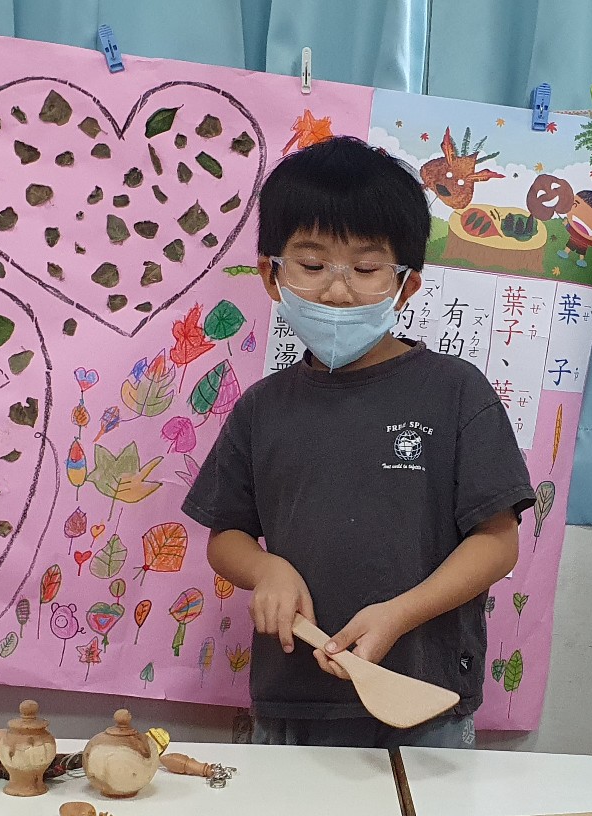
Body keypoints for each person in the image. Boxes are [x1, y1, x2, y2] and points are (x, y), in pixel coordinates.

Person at [182, 136, 535, 748]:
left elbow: (497, 544)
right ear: (272, 275)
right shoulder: (262, 408)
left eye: (367, 269)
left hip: (424, 702)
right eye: (312, 265)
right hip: (291, 701)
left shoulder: (454, 392)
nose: (338, 291)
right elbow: (226, 537)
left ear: (406, 285)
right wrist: (265, 568)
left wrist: (399, 615)